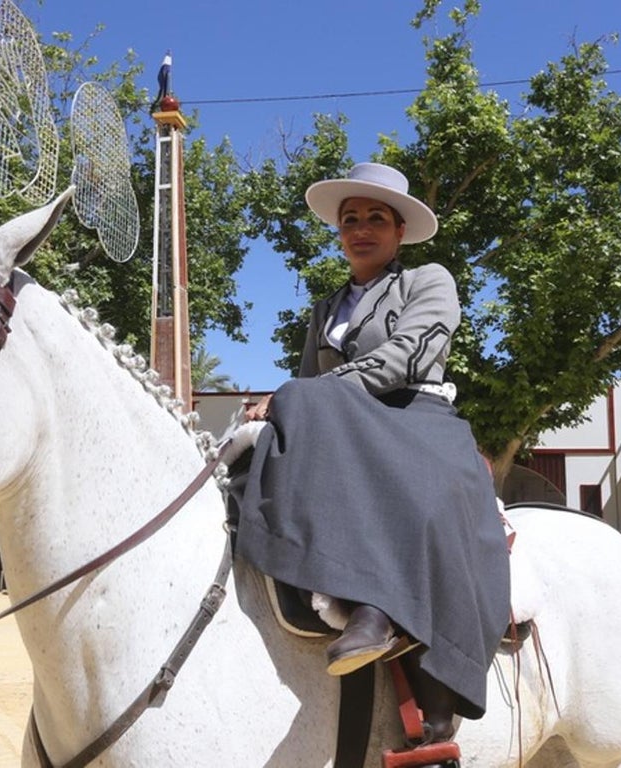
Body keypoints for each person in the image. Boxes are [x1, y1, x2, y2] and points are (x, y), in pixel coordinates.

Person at [233, 162, 511, 742]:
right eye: (350, 220)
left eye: (375, 219)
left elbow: (408, 355)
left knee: (424, 503)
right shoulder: (325, 307)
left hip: (415, 416)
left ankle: (388, 624)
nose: (361, 229)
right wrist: (285, 406)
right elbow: (307, 381)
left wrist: (306, 396)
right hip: (340, 423)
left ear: (399, 231)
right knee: (251, 465)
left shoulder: (428, 280)